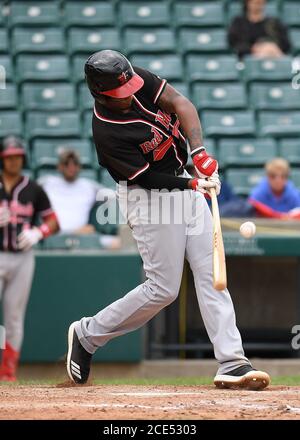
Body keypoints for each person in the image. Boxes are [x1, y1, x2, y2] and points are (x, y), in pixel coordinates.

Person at [66, 50, 270, 390]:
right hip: (149, 198)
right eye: (119, 93)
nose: (129, 93)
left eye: (130, 85)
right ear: (99, 93)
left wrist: (199, 153)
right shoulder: (107, 133)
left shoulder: (132, 77)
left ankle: (233, 361)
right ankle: (87, 334)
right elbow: (146, 178)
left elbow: (180, 103)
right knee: (163, 289)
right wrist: (193, 182)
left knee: (211, 273)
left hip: (184, 182)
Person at [0, 136, 59, 381]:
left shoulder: (33, 188)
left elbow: (53, 221)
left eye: (17, 156)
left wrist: (39, 232)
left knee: (14, 316)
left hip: (23, 257)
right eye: (9, 156)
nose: (14, 161)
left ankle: (7, 372)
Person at [39, 149, 120, 248]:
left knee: (120, 243)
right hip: (52, 236)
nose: (71, 167)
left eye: (75, 163)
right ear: (59, 166)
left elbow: (113, 195)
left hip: (82, 236)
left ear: (80, 166)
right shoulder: (47, 183)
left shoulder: (89, 186)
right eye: (66, 163)